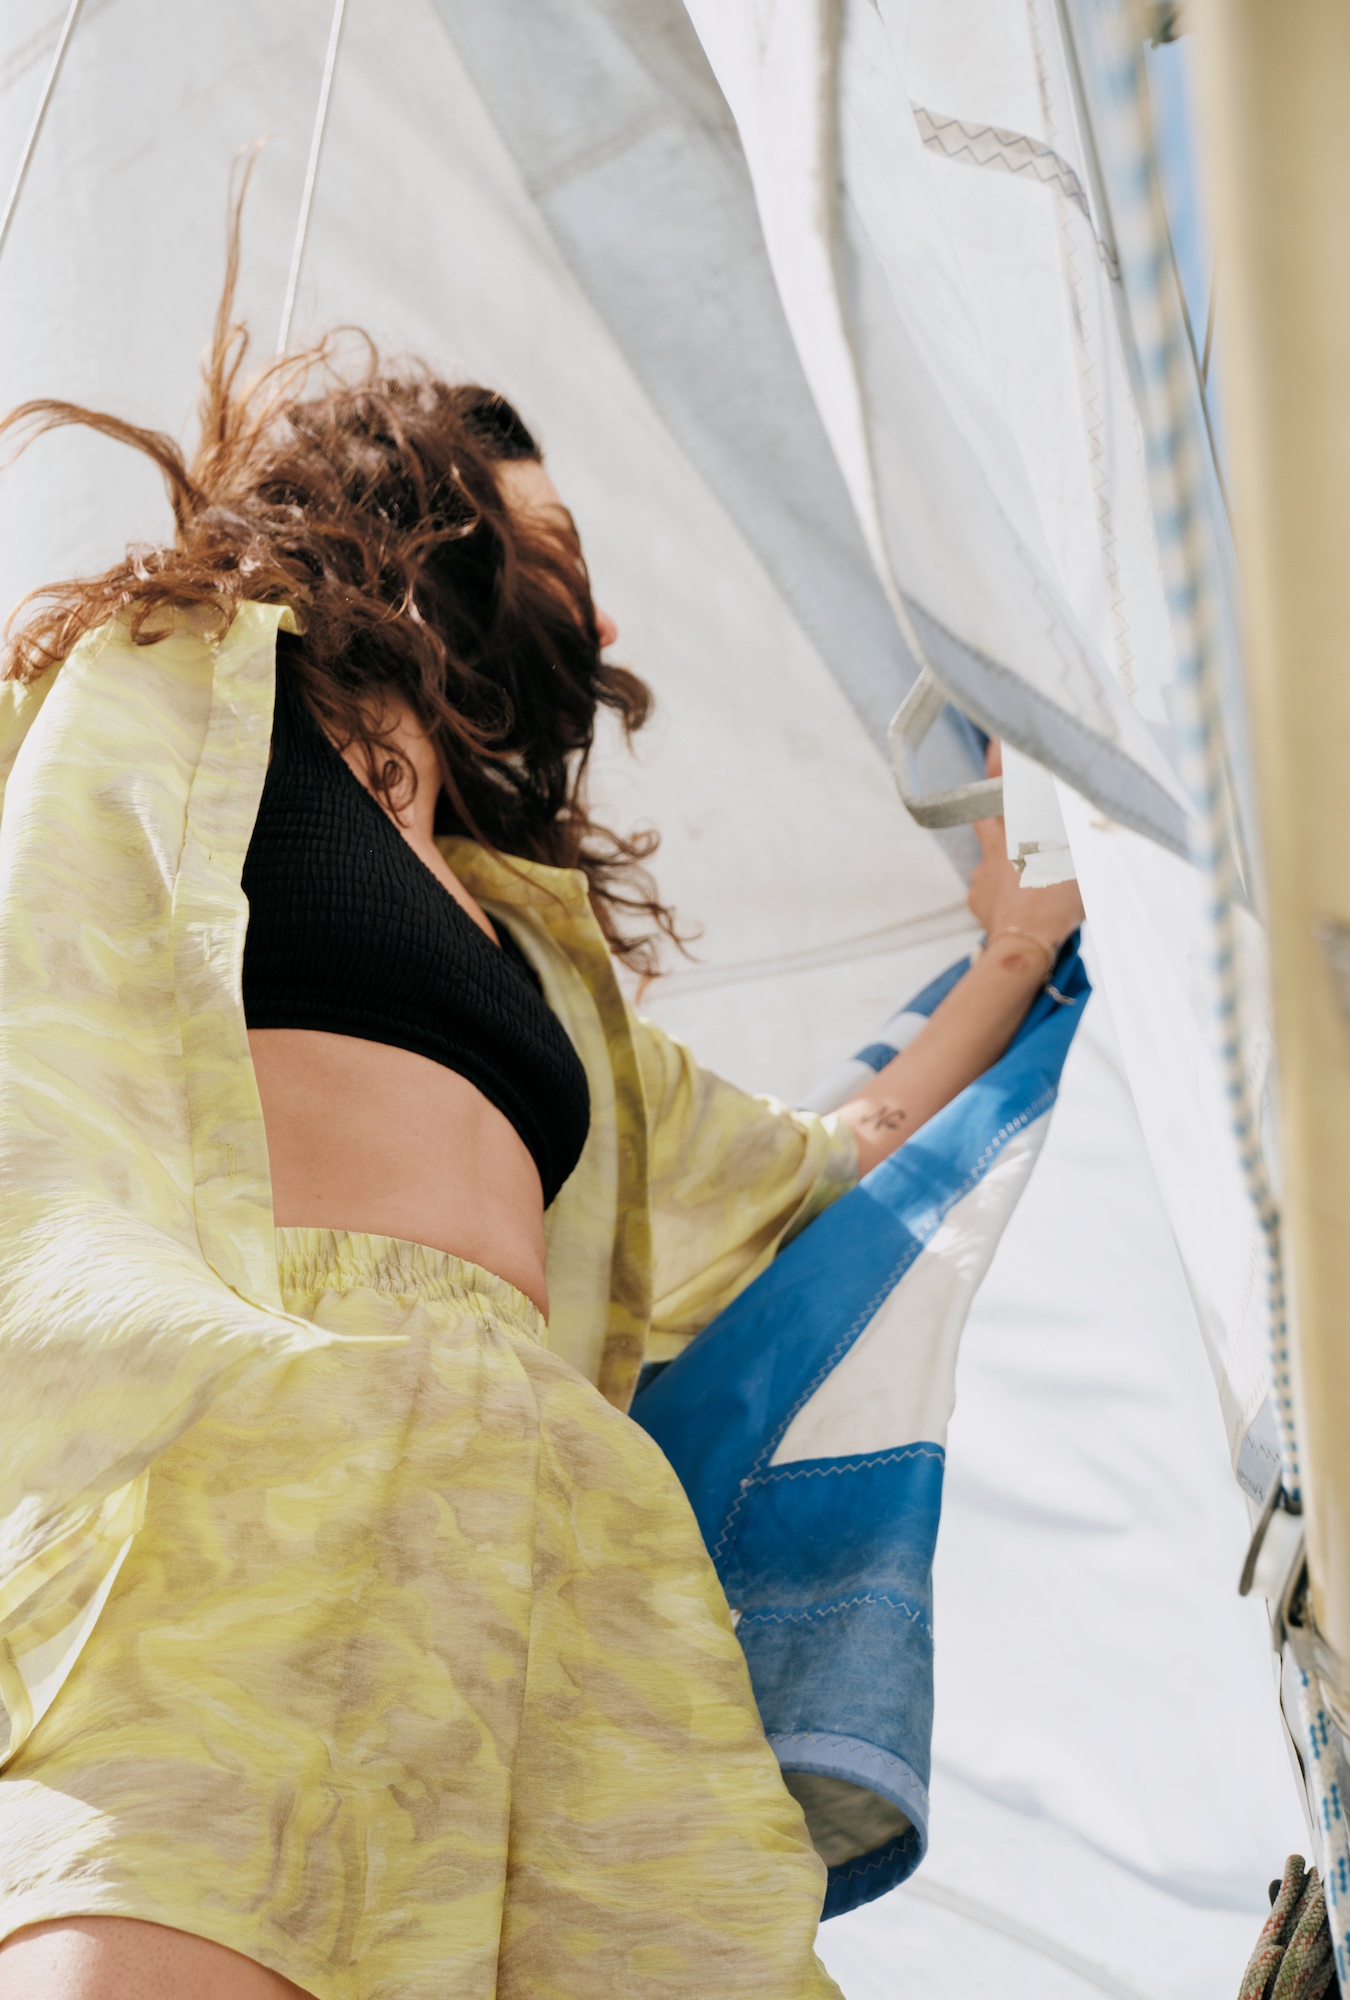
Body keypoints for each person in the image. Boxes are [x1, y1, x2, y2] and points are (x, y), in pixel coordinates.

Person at [0, 241, 1084, 2000]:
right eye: (560, 547)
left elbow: (810, 1170)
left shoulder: (536, 947)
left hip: (559, 1508)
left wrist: (1014, 953)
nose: (604, 618)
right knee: (167, 1924)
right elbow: (30, 977)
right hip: (260, 1428)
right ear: (426, 517)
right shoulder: (181, 688)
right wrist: (188, 1363)